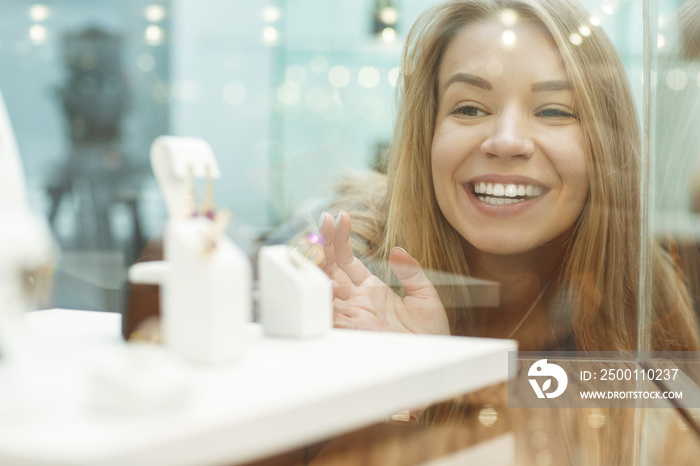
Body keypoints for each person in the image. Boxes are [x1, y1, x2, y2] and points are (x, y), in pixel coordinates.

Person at [312, 0, 700, 352]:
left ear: (605, 146)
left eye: (553, 111)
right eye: (469, 108)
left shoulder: (644, 290)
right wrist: (399, 380)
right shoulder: (347, 277)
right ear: (426, 134)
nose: (506, 142)